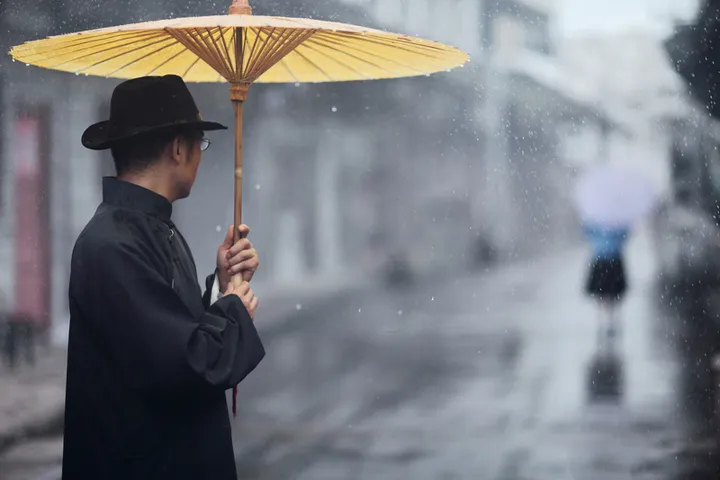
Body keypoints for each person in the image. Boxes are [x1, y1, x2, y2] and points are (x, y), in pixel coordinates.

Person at [61, 75, 265, 479]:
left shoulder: (151, 229)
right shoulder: (112, 245)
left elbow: (171, 326)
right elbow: (186, 365)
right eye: (199, 145)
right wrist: (234, 310)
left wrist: (222, 286)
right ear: (177, 148)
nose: (200, 157)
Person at [583, 223, 630, 343]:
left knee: (607, 295)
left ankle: (607, 321)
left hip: (604, 260)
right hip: (609, 260)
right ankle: (607, 321)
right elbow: (624, 236)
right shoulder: (615, 221)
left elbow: (587, 234)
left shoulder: (596, 221)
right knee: (607, 295)